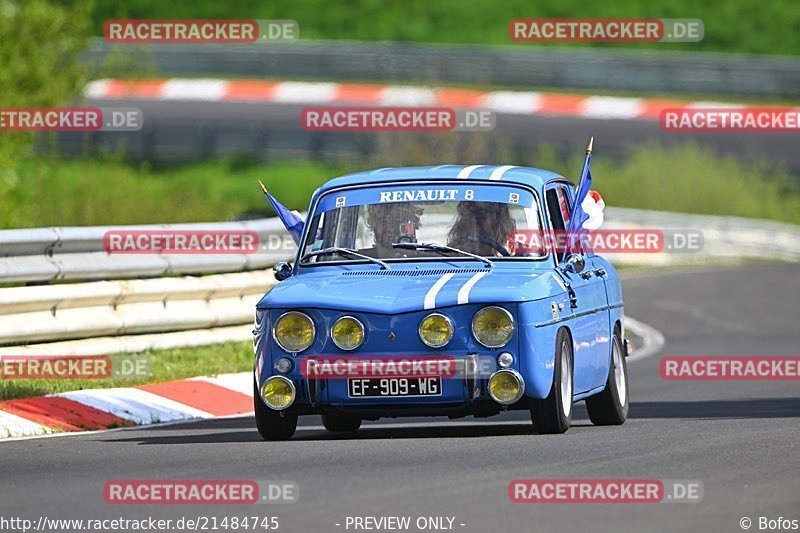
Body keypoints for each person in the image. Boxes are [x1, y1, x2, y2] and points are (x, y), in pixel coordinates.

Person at [447, 201, 516, 257]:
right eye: (468, 214)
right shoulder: (449, 254)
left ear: (498, 218)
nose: (473, 221)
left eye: (480, 215)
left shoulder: (520, 253)